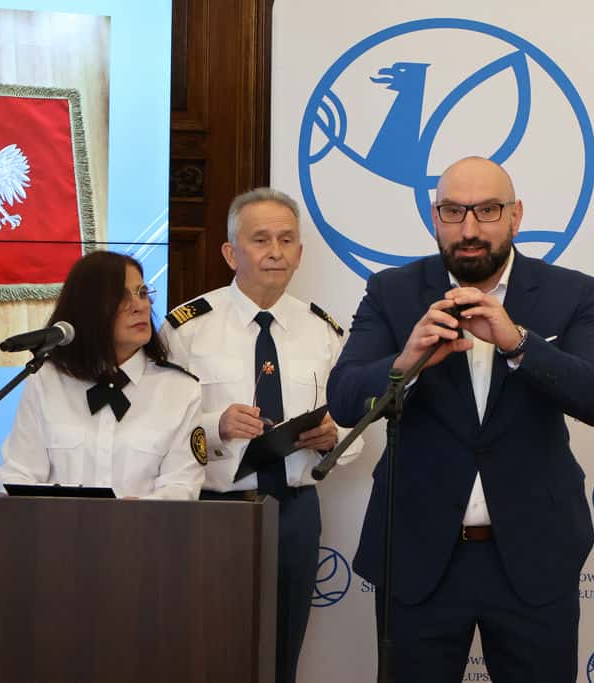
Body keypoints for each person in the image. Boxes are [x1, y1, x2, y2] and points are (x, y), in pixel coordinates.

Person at [327, 156, 594, 683]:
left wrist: (519, 343)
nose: (469, 229)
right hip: (417, 554)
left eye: (487, 210)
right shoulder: (392, 291)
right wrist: (404, 363)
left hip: (535, 555)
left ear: (516, 216)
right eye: (453, 211)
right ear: (434, 217)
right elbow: (345, 400)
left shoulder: (571, 292)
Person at [159, 187, 361, 683]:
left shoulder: (324, 331)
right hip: (214, 509)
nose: (275, 252)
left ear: (300, 253)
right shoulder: (187, 329)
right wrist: (216, 427)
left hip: (295, 510)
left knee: (283, 652)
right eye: (261, 239)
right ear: (231, 253)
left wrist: (334, 436)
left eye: (286, 240)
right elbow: (156, 429)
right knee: (208, 648)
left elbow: (358, 423)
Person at [0, 250, 205, 500]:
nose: (140, 306)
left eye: (142, 293)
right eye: (122, 297)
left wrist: (137, 511)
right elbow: (17, 475)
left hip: (142, 525)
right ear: (87, 309)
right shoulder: (46, 380)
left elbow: (182, 486)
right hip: (58, 525)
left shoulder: (180, 390)